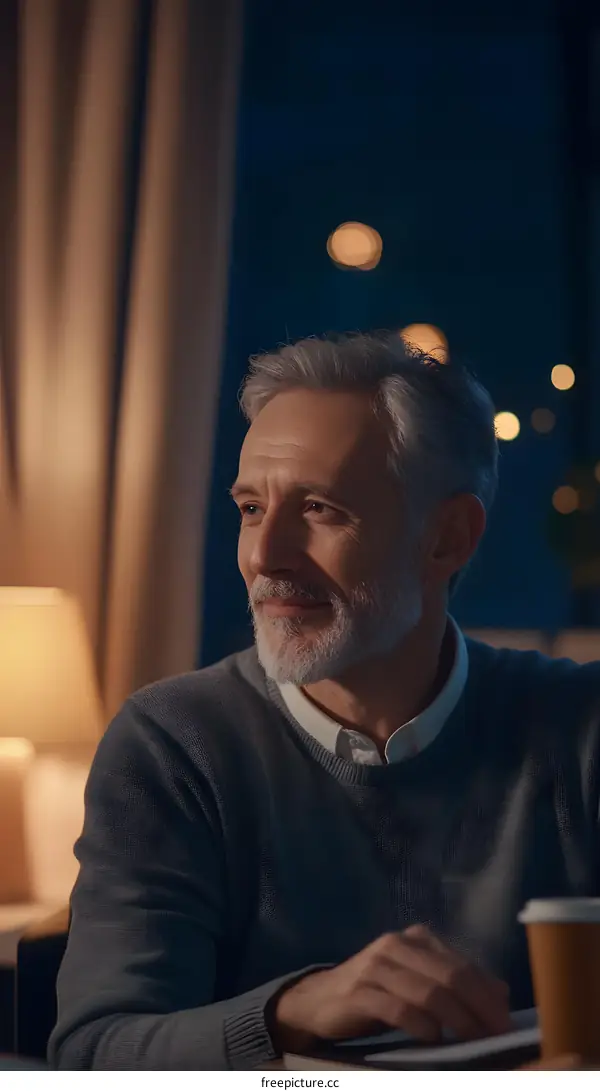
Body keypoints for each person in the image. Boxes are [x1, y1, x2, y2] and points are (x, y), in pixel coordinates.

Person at [50, 333, 600, 1070]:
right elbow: (94, 1056)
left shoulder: (579, 726)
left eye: (320, 507)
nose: (263, 555)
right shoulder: (173, 742)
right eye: (250, 507)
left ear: (447, 538)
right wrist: (294, 1009)